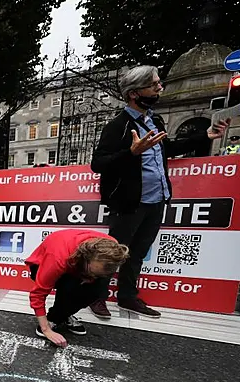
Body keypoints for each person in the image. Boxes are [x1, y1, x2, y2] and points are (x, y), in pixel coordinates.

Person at [89, 65, 230, 319]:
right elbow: (98, 164)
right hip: (129, 203)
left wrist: (205, 136)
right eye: (153, 85)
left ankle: (127, 298)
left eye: (158, 83)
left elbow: (168, 149)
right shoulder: (118, 126)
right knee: (112, 253)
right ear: (134, 93)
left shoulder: (155, 120)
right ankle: (97, 298)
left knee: (138, 253)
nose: (159, 88)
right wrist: (131, 153)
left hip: (157, 200)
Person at [26, 229, 130, 347]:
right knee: (70, 287)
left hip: (78, 263)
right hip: (42, 264)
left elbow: (97, 277)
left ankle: (60, 315)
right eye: (92, 271)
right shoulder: (58, 257)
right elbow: (37, 294)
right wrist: (46, 329)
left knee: (95, 291)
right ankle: (53, 320)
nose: (93, 277)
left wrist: (93, 277)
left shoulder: (113, 251)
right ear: (85, 257)